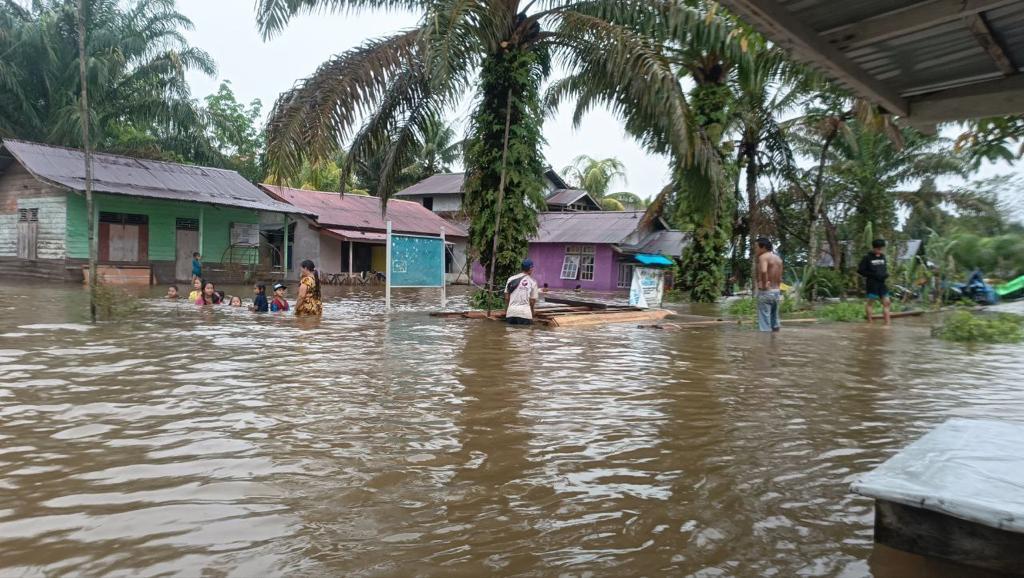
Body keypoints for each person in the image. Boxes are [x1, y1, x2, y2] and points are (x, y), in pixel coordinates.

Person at [858, 239, 891, 325]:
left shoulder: (883, 257)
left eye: (882, 249)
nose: (881, 251)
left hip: (882, 283)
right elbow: (860, 271)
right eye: (879, 249)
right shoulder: (867, 257)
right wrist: (873, 274)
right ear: (875, 248)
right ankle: (870, 322)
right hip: (872, 283)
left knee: (887, 302)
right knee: (870, 303)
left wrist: (885, 274)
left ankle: (887, 323)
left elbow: (883, 268)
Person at [754, 237, 783, 332]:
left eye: (756, 247)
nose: (755, 250)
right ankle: (774, 343)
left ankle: (765, 345)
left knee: (764, 324)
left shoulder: (763, 257)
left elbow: (763, 270)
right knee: (775, 322)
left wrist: (764, 282)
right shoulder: (778, 259)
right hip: (776, 292)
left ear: (763, 247)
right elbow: (780, 277)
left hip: (766, 292)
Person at [504, 259, 539, 325]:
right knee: (524, 334)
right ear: (531, 268)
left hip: (511, 313)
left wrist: (507, 310)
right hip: (525, 314)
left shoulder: (511, 279)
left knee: (510, 334)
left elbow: (506, 297)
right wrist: (532, 313)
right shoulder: (533, 282)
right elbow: (532, 301)